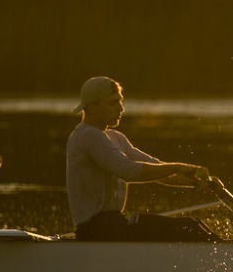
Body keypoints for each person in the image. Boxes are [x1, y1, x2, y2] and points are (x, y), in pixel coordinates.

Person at [65, 76, 217, 241]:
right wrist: (178, 167)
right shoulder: (88, 135)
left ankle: (221, 247)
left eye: (120, 101)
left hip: (113, 224)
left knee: (193, 225)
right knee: (187, 227)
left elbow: (156, 168)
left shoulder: (116, 137)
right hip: (94, 228)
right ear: (93, 106)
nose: (121, 109)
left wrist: (198, 182)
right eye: (113, 103)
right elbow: (128, 171)